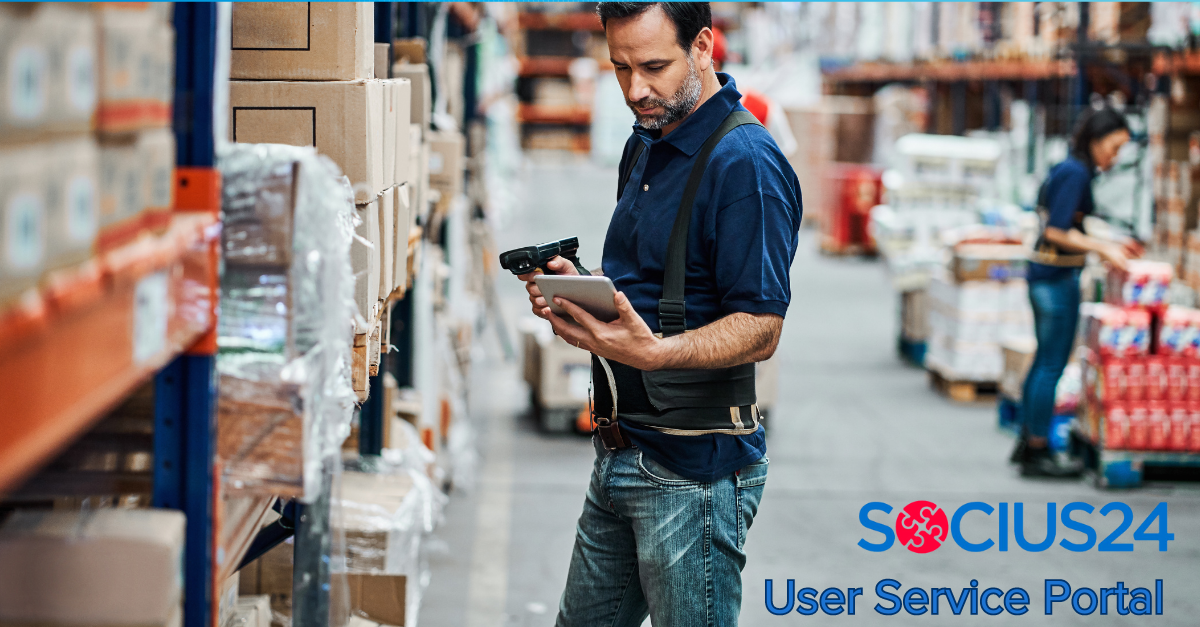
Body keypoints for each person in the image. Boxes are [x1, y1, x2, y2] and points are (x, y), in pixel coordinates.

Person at [514, 3, 802, 625]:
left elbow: (761, 325)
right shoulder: (645, 145)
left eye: (652, 66)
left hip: (694, 476)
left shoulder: (745, 164)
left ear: (703, 46)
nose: (634, 89)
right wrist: (582, 299)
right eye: (619, 67)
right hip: (622, 452)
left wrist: (656, 354)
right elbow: (651, 284)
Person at [1016, 107, 1142, 477]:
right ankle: (1038, 448)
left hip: (1046, 277)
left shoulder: (1070, 169)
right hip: (1055, 279)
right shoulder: (1075, 172)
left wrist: (1113, 240)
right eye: (1113, 147)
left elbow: (1072, 221)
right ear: (1097, 139)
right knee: (1051, 364)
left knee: (1044, 361)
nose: (1114, 157)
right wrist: (1105, 250)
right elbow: (1057, 230)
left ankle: (1028, 441)